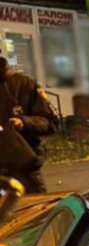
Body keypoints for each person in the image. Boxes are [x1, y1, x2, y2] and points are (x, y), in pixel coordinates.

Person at [0, 57, 58, 193]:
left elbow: (49, 123)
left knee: (36, 206)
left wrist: (24, 122)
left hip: (23, 170)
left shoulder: (24, 84)